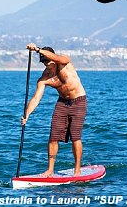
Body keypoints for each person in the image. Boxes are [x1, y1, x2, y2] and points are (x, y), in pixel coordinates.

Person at [21, 43, 87, 177]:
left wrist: (38, 49)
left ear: (53, 58)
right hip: (62, 103)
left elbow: (59, 58)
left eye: (47, 60)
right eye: (43, 61)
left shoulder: (64, 62)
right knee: (53, 137)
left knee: (75, 137)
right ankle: (50, 170)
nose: (46, 64)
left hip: (79, 101)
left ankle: (77, 170)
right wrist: (26, 115)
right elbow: (35, 98)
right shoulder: (44, 78)